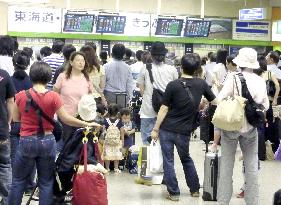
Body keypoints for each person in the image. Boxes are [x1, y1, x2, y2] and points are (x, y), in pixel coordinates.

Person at [8, 61, 100, 205]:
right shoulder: (54, 97)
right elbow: (66, 119)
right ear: (48, 77)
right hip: (47, 141)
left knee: (18, 181)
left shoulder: (20, 95)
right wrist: (87, 123)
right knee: (46, 182)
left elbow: (15, 119)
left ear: (31, 76)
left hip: (26, 141)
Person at [151, 53, 216, 201]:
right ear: (197, 69)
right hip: (185, 131)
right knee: (186, 158)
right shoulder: (202, 84)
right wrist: (202, 105)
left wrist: (155, 129)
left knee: (168, 160)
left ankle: (174, 193)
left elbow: (164, 109)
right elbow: (215, 101)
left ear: (181, 67)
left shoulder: (173, 85)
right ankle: (194, 190)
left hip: (167, 129)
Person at [217, 48, 269, 205]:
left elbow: (220, 99)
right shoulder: (260, 80)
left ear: (240, 62)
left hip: (232, 126)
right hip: (251, 128)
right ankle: (252, 202)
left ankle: (223, 202)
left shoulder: (233, 77)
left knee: (226, 168)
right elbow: (265, 106)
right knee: (251, 168)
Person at [137, 42, 178, 145]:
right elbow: (176, 89)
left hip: (148, 110)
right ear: (164, 55)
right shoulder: (172, 69)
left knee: (147, 143)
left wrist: (147, 97)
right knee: (165, 143)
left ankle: (150, 161)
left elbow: (141, 88)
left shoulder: (145, 68)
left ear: (151, 55)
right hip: (166, 111)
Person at [53, 51, 94, 146]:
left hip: (82, 119)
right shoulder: (62, 77)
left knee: (79, 147)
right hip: (65, 118)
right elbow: (55, 94)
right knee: (66, 146)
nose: (81, 63)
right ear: (71, 63)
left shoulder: (87, 78)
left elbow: (90, 97)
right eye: (78, 60)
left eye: (83, 61)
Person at [10, 51, 34, 195]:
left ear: (14, 64)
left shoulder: (8, 80)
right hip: (29, 122)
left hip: (13, 122)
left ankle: (16, 185)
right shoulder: (31, 82)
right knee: (30, 156)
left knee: (14, 156)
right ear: (27, 64)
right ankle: (29, 186)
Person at [0, 68, 15, 205]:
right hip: (1, 130)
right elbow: (11, 101)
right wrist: (8, 122)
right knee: (4, 166)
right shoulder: (3, 74)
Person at [103, 44, 134, 108]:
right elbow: (129, 85)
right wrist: (128, 99)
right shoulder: (127, 67)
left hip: (108, 95)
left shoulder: (106, 66)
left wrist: (102, 97)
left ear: (112, 53)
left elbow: (103, 83)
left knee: (109, 116)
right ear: (124, 54)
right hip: (122, 96)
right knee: (120, 116)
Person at [102, 104, 124, 173]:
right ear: (117, 112)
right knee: (116, 155)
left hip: (107, 142)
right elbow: (122, 132)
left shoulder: (105, 121)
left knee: (107, 154)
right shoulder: (119, 121)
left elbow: (103, 132)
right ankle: (116, 168)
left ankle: (107, 168)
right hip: (117, 142)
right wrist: (122, 142)